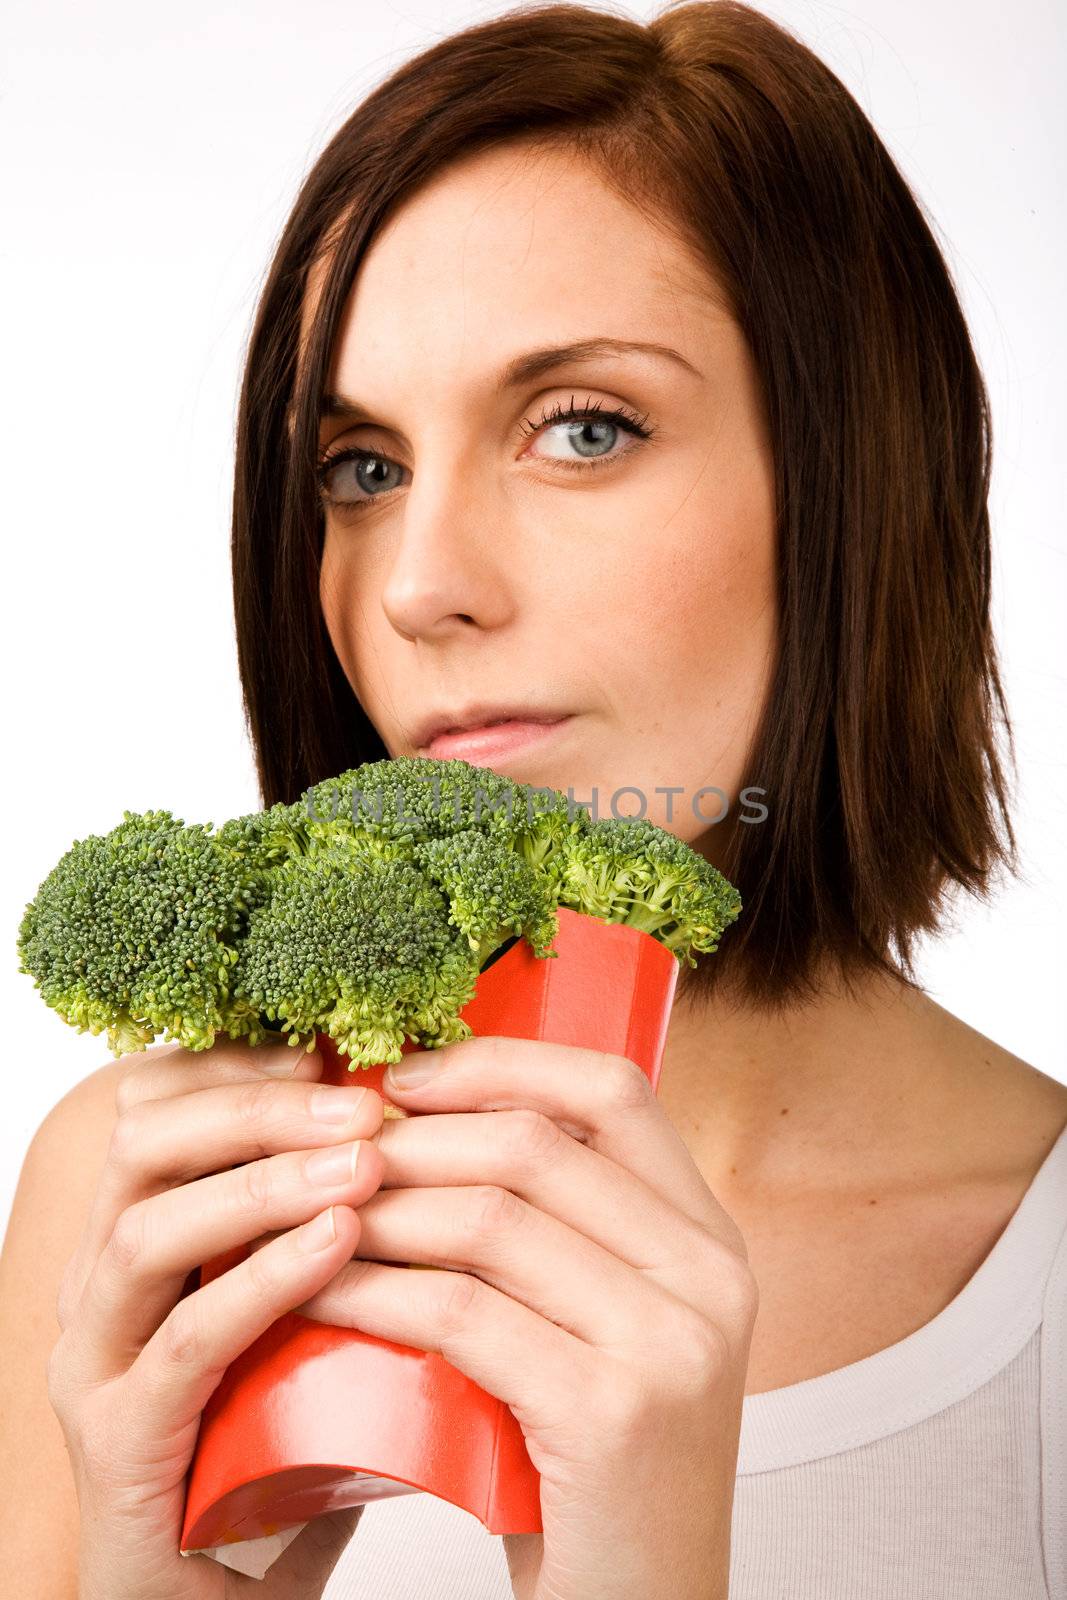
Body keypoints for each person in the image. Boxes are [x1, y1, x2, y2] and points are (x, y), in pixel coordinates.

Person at [2, 2, 1064, 1597]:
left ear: (861, 481)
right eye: (361, 466)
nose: (420, 586)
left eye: (583, 429)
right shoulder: (143, 1200)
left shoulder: (1028, 1269)